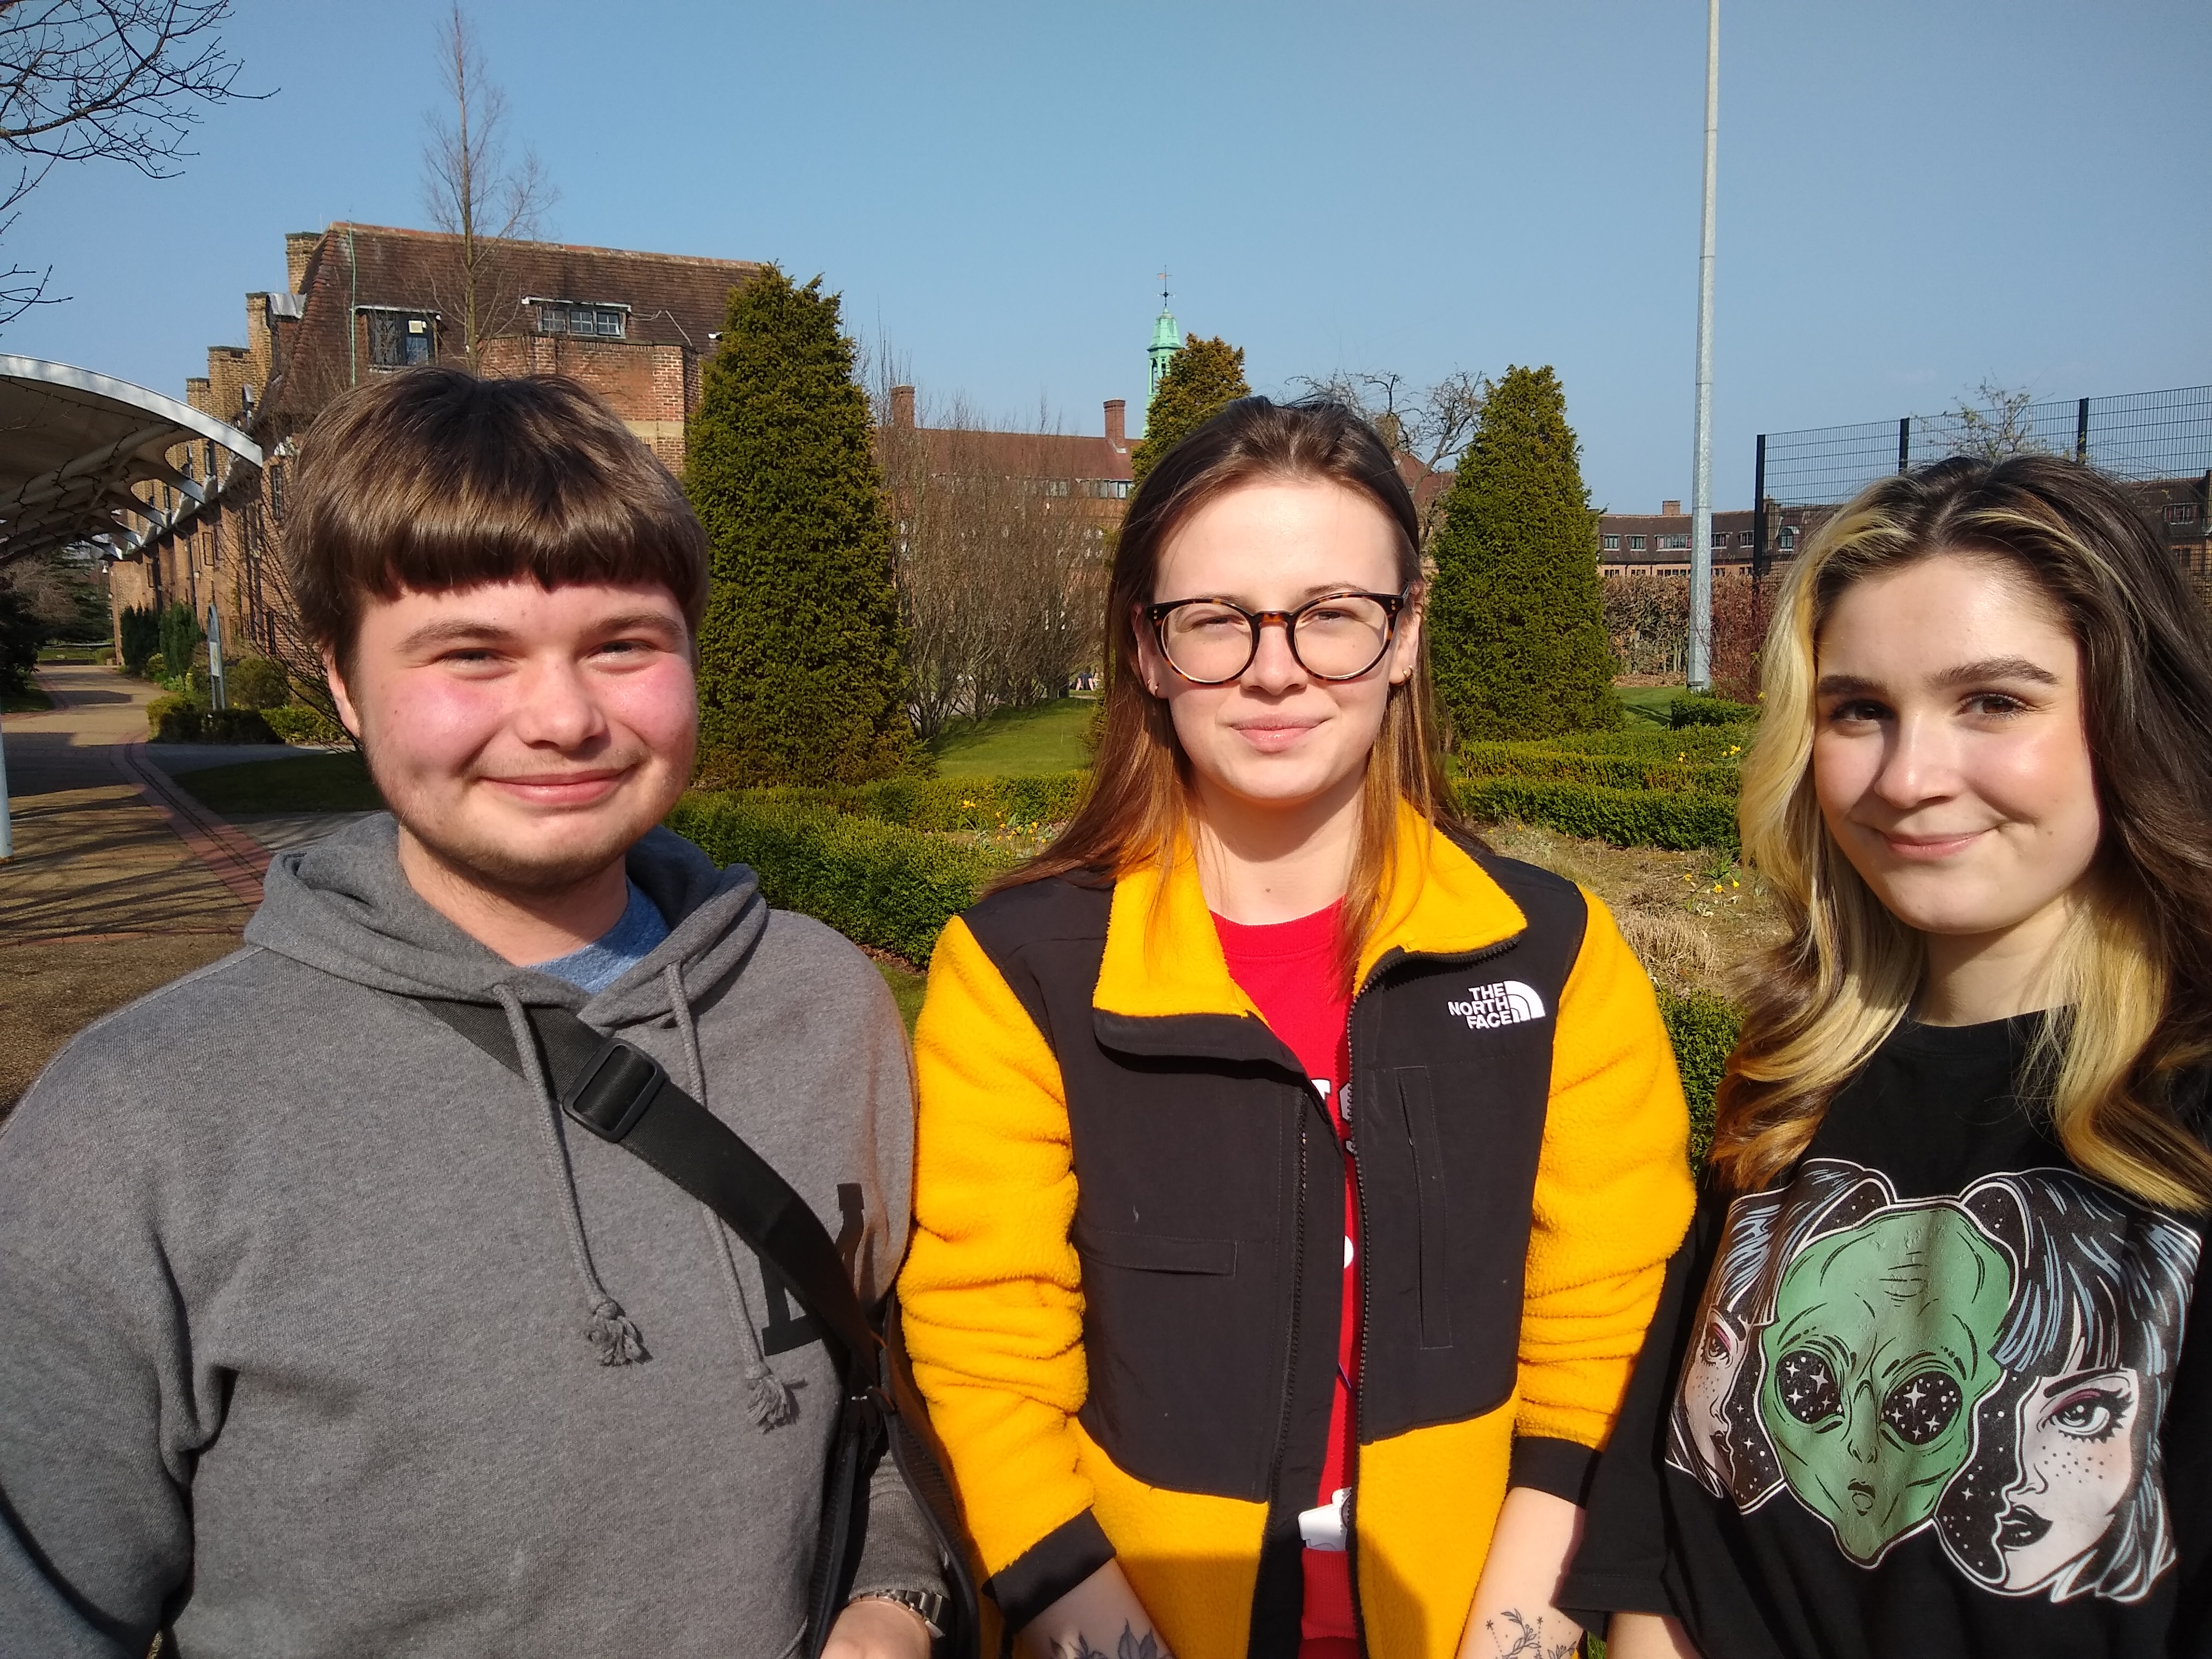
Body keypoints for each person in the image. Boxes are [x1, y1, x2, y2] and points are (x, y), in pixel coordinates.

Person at [0, 368, 948, 1657]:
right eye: (470, 656)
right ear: (340, 680)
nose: (562, 719)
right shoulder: (135, 1127)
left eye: (623, 643)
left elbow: (890, 1392)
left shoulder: (823, 1004)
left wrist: (895, 1600)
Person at [896, 397, 1695, 1659]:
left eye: (1330, 614)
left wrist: (1510, 1636)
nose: (1275, 668)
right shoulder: (1019, 971)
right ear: (1148, 651)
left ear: (1403, 636)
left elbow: (1603, 1314)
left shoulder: (1551, 955)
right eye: (1215, 620)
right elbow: (984, 1341)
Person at [1563, 454, 2212, 1658]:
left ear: (2126, 717)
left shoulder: (2179, 1117)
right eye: (1857, 710)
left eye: (1993, 703)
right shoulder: (1790, 1076)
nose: (1908, 780)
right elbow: (1665, 1509)